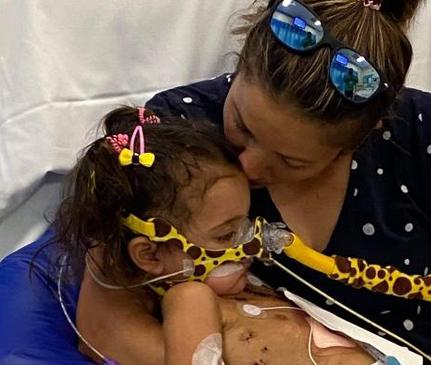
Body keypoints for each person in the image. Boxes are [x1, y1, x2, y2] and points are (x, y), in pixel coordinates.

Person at [82, 0, 431, 364]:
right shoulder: (172, 133)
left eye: (291, 161)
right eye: (242, 126)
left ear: (360, 142)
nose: (249, 169)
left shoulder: (425, 134)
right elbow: (104, 325)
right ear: (241, 65)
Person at [60, 106, 381, 364]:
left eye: (245, 222)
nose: (250, 242)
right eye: (226, 234)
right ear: (151, 255)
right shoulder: (191, 298)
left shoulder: (236, 286)